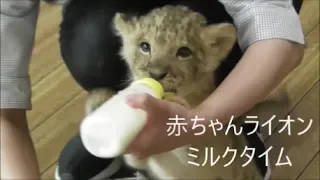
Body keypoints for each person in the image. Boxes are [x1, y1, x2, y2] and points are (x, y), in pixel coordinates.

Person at [1, 0, 305, 179]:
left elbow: (275, 29)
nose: (157, 70)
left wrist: (198, 123)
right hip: (129, 19)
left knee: (218, 39)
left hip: (220, 17)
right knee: (93, 39)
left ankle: (230, 124)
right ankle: (130, 125)